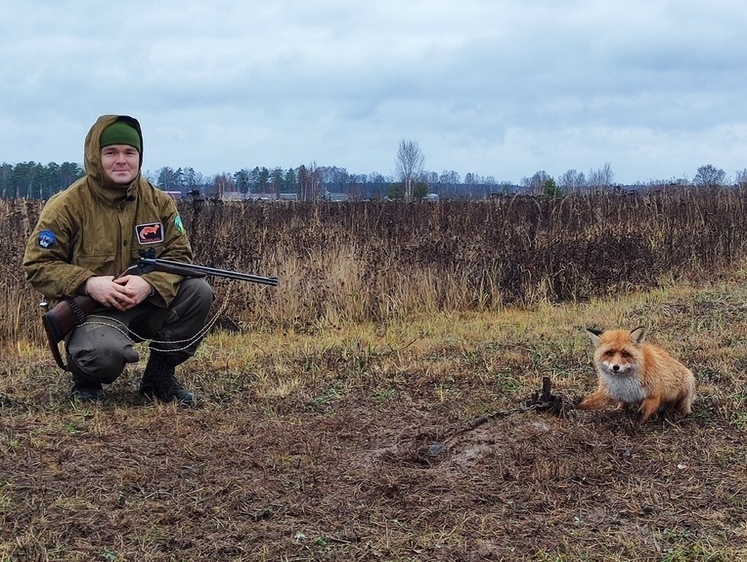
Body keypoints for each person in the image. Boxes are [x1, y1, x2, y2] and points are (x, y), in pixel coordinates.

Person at [23, 115, 214, 405]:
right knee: (102, 357)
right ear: (95, 157)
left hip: (145, 305)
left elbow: (179, 257)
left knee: (199, 291)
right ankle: (86, 378)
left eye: (130, 152)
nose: (121, 160)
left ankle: (158, 379)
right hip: (91, 312)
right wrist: (88, 283)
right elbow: (38, 265)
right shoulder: (66, 206)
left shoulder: (159, 201)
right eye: (111, 152)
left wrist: (149, 285)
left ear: (139, 157)